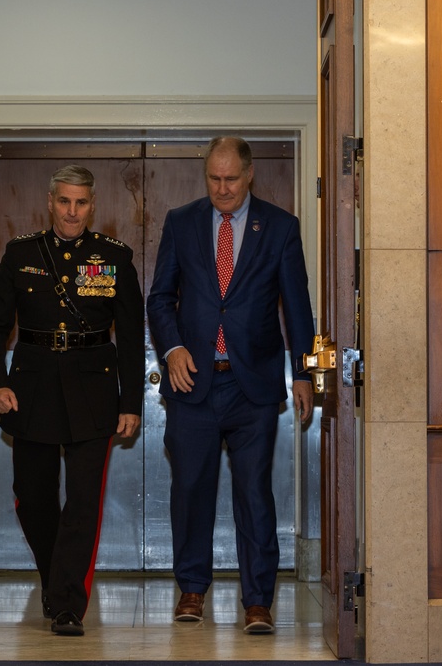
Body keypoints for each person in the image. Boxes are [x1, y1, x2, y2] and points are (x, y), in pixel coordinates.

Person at [146, 136, 315, 634]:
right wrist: (173, 347)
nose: (222, 188)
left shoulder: (280, 227)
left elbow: (297, 304)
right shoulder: (182, 222)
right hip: (193, 383)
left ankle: (257, 600)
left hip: (253, 387)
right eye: (214, 179)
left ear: (250, 175)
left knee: (255, 495)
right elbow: (160, 298)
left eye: (231, 179)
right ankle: (192, 590)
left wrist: (302, 371)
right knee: (191, 490)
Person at [0, 164, 144, 636]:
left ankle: (69, 602)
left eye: (82, 203)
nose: (72, 211)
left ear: (93, 206)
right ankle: (55, 578)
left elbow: (131, 337)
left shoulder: (113, 258)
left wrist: (130, 401)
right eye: (64, 201)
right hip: (30, 388)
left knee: (83, 501)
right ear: (50, 202)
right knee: (32, 498)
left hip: (93, 389)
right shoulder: (21, 253)